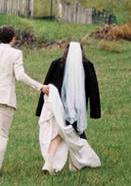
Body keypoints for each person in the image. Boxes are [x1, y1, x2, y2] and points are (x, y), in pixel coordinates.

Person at [0, 25, 50, 178]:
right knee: (3, 134)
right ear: (13, 38)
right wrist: (40, 87)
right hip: (5, 98)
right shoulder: (16, 54)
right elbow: (20, 76)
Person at [35, 40, 102, 173]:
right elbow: (93, 90)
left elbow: (46, 85)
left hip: (56, 106)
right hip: (76, 109)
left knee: (61, 133)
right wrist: (95, 111)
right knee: (69, 134)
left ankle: (51, 162)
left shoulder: (56, 64)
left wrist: (41, 107)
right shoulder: (87, 66)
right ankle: (73, 163)